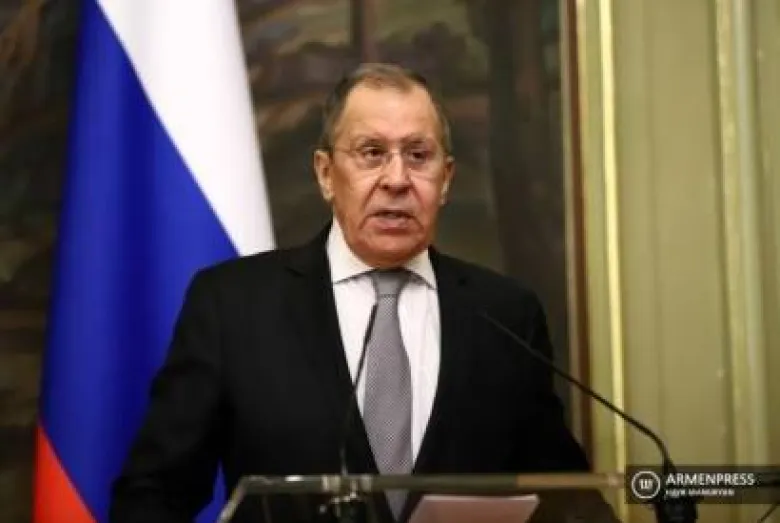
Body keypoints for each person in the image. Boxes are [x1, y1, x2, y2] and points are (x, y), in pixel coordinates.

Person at [109, 63, 602, 523]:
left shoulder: (505, 314)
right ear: (326, 174)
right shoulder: (233, 306)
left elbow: (568, 500)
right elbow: (153, 495)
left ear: (446, 179)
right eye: (371, 153)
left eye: (418, 155)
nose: (397, 180)